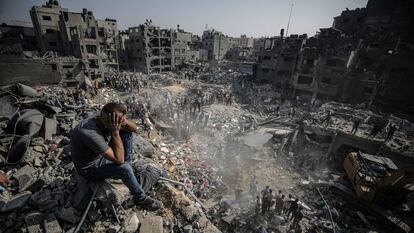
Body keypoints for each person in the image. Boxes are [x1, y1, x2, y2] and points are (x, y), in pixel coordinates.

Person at [70, 102, 163, 211]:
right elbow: (120, 160)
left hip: (100, 157)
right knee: (124, 167)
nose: (119, 123)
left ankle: (127, 171)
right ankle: (141, 199)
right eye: (117, 121)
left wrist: (124, 122)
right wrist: (115, 132)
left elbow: (134, 129)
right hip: (89, 169)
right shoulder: (89, 133)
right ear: (107, 119)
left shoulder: (101, 120)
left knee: (127, 132)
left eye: (120, 120)